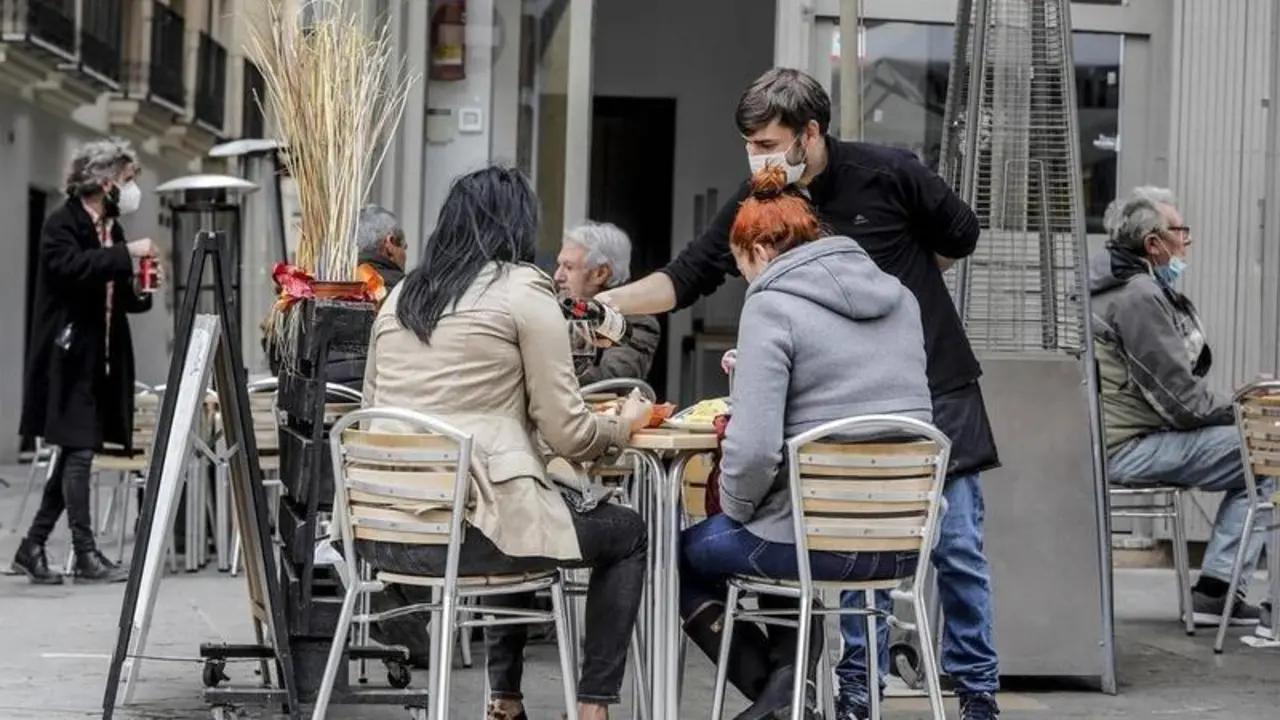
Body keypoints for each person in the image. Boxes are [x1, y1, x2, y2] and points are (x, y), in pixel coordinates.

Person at [597, 68, 1001, 719]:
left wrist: (905, 289)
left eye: (769, 140)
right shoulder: (762, 202)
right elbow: (690, 274)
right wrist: (608, 300)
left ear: (810, 132)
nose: (759, 156)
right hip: (842, 413)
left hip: (933, 385)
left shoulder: (891, 173)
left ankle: (974, 690)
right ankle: (850, 692)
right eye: (750, 143)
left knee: (954, 547)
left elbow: (958, 238)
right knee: (850, 534)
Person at [359, 166, 653, 720]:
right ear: (518, 227)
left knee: (518, 505)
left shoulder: (397, 300)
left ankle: (506, 700)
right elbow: (570, 433)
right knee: (622, 532)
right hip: (468, 535)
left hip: (385, 534)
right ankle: (593, 709)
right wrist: (625, 425)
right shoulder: (522, 289)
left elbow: (372, 409)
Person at [680, 166, 932, 719]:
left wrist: (742, 510)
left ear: (760, 249)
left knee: (678, 556)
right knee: (777, 546)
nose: (743, 277)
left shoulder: (771, 305)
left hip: (808, 541)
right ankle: (790, 696)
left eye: (740, 264)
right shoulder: (902, 301)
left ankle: (782, 701)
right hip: (897, 542)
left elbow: (749, 457)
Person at [1092, 186, 1272, 635]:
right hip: (1128, 447)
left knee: (1260, 455)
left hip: (1114, 438)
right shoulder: (1138, 297)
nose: (1186, 241)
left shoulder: (1109, 285)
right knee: (1269, 452)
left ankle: (1217, 587)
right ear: (1153, 244)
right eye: (1180, 231)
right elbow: (1182, 402)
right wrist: (1246, 408)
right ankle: (1218, 591)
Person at [12, 138, 159, 585]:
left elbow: (118, 297)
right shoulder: (62, 224)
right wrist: (126, 255)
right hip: (67, 359)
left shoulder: (110, 230)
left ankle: (32, 546)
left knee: (76, 452)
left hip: (101, 362)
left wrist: (142, 286)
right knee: (77, 453)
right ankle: (85, 552)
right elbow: (71, 269)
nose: (132, 191)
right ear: (104, 181)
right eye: (127, 180)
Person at [554, 222, 661, 384]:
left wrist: (546, 371)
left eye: (568, 267)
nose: (557, 276)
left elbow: (611, 380)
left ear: (601, 273)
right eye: (559, 265)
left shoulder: (636, 320)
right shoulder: (557, 307)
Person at [326, 204, 408, 387]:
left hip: (326, 400)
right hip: (379, 403)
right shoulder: (407, 293)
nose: (405, 255)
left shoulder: (321, 287)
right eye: (405, 247)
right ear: (390, 245)